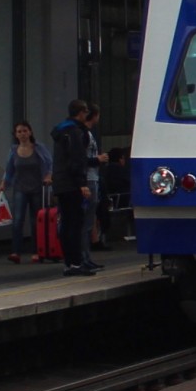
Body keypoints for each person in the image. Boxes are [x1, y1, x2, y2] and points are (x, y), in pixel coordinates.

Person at [0, 120, 52, 264]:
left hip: (37, 188)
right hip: (20, 188)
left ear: (30, 132)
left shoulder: (39, 148)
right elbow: (9, 169)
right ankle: (16, 251)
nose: (22, 134)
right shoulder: (14, 150)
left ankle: (36, 251)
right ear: (15, 134)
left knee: (36, 220)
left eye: (25, 131)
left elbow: (49, 163)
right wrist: (4, 183)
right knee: (18, 220)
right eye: (19, 132)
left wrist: (48, 176)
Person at [51, 99, 94, 276]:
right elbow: (77, 160)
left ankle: (69, 263)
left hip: (60, 183)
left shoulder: (61, 131)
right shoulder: (75, 132)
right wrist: (82, 183)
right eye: (86, 112)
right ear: (81, 112)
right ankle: (76, 263)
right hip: (71, 183)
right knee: (75, 224)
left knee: (67, 223)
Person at [80, 103, 109, 270]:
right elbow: (82, 159)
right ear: (95, 116)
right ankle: (84, 257)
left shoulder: (86, 133)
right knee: (87, 221)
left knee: (88, 221)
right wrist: (98, 159)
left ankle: (85, 256)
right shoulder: (84, 134)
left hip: (92, 178)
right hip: (89, 179)